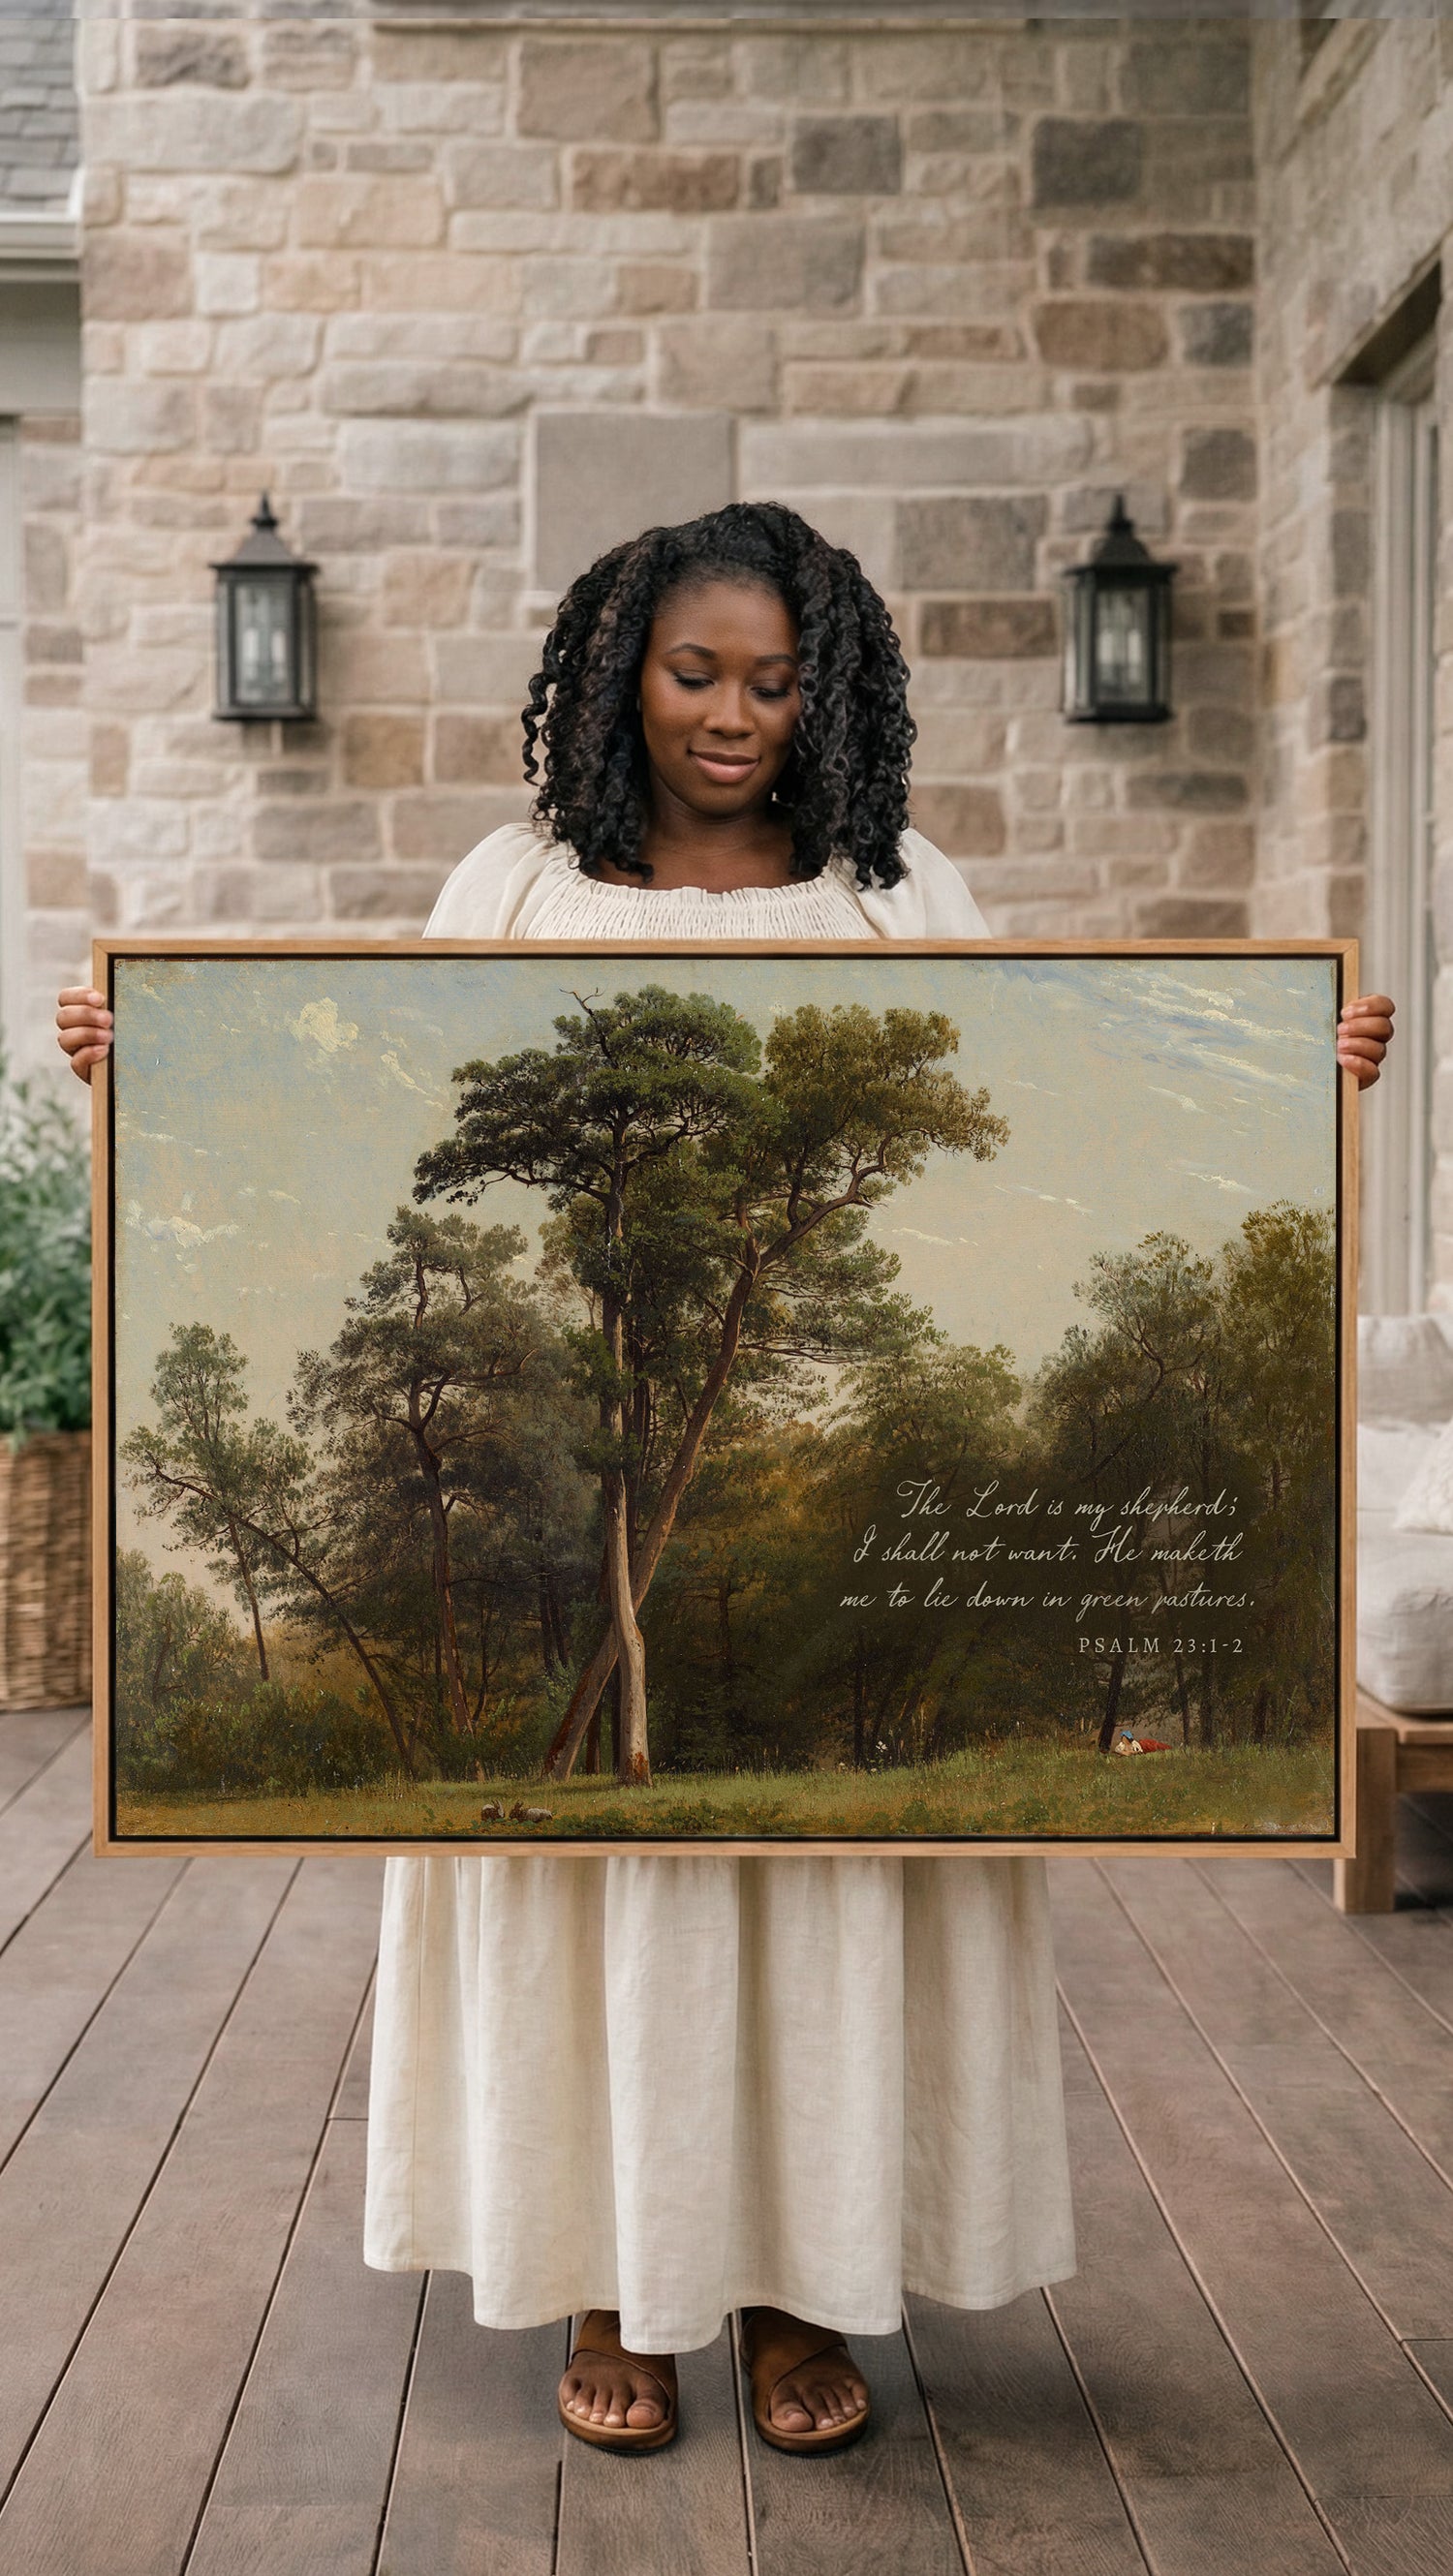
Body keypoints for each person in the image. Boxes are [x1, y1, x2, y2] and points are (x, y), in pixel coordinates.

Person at [59, 500, 1395, 2459]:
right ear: (622, 674)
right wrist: (147, 1067)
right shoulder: (511, 890)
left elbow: (1044, 1146)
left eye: (774, 682)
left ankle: (797, 2290)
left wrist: (1292, 1082)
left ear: (824, 690)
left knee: (818, 1912)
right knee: (600, 1911)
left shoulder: (897, 897)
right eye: (697, 674)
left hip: (808, 1464)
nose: (733, 716)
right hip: (570, 1477)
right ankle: (615, 2277)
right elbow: (367, 1131)